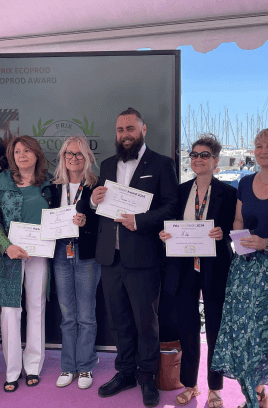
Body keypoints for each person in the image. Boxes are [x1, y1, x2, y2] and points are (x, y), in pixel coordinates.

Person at [92, 107, 178, 407]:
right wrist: (93, 200)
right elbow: (98, 208)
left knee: (146, 321)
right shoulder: (105, 165)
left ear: (143, 130)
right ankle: (125, 372)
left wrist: (140, 221)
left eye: (130, 128)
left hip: (143, 257)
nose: (124, 134)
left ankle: (147, 376)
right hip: (110, 257)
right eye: (119, 130)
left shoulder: (163, 164)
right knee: (118, 321)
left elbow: (171, 207)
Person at [211, 128, 268, 408]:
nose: (264, 151)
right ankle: (257, 394)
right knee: (246, 333)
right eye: (259, 145)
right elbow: (238, 221)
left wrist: (265, 243)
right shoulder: (245, 182)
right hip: (245, 268)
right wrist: (239, 239)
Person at [158, 135, 237, 408]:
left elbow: (236, 230)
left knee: (216, 328)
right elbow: (170, 225)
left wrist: (223, 232)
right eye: (194, 154)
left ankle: (215, 388)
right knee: (188, 327)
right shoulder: (179, 192)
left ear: (215, 160)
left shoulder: (229, 193)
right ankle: (190, 385)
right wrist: (165, 235)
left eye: (204, 155)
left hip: (216, 268)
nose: (198, 159)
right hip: (183, 268)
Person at [0, 135, 55, 392]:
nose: (22, 155)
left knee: (36, 306)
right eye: (17, 151)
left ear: (37, 154)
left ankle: (33, 366)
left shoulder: (49, 183)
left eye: (28, 150)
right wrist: (7, 247)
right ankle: (12, 369)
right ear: (11, 156)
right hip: (9, 254)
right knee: (9, 311)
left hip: (39, 252)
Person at [51, 136, 101, 389]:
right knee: (67, 314)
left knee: (86, 314)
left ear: (88, 158)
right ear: (62, 157)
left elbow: (104, 221)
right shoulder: (52, 187)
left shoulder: (96, 186)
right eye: (69, 154)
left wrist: (87, 221)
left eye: (79, 154)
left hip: (86, 253)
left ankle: (85, 367)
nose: (73, 158)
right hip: (60, 251)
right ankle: (68, 366)